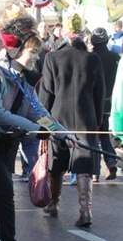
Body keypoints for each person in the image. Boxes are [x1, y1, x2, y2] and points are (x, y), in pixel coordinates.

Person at [0, 15, 79, 241]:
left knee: (4, 194)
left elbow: (38, 111)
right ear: (15, 50)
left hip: (3, 142)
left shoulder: (21, 77)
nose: (38, 57)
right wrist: (35, 128)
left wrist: (61, 133)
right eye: (34, 52)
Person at [38, 17, 104, 227]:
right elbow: (100, 94)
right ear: (83, 34)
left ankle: (53, 204)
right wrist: (98, 120)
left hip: (58, 117)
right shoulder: (92, 59)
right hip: (86, 118)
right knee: (83, 163)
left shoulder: (53, 58)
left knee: (56, 162)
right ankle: (85, 211)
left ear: (65, 34)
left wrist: (43, 124)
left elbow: (45, 95)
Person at [89, 27, 119, 180]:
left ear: (92, 41)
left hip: (93, 102)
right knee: (105, 134)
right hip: (112, 103)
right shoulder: (115, 57)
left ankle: (95, 171)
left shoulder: (89, 57)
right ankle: (111, 161)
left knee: (93, 136)